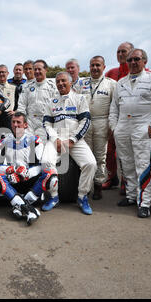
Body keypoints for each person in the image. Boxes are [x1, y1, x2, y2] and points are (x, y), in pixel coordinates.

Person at [109, 48, 151, 218]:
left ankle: (144, 203)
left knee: (143, 165)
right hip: (123, 127)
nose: (133, 63)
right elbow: (114, 108)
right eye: (130, 60)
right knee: (126, 164)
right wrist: (114, 127)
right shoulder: (120, 82)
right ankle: (131, 196)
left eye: (136, 59)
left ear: (144, 61)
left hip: (143, 126)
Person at [43, 72, 97, 214]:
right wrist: (56, 140)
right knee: (46, 162)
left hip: (75, 140)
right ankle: (54, 197)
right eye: (58, 81)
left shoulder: (80, 99)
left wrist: (73, 140)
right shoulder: (51, 101)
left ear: (71, 82)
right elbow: (47, 124)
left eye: (63, 81)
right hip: (57, 139)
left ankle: (82, 196)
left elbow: (85, 122)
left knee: (91, 163)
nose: (60, 84)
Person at [0, 112, 57, 224]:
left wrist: (27, 173)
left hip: (29, 180)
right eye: (13, 122)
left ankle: (18, 205)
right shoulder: (5, 140)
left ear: (25, 125)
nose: (15, 125)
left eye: (18, 122)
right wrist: (9, 170)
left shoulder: (35, 140)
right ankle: (29, 209)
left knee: (51, 175)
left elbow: (43, 165)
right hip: (12, 179)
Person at [75, 56, 117, 200]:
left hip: (102, 121)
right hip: (84, 122)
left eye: (98, 65)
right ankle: (85, 188)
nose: (94, 68)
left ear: (104, 67)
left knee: (100, 156)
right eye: (92, 65)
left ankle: (98, 185)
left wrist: (112, 126)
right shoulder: (81, 83)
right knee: (85, 156)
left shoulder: (111, 84)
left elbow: (115, 106)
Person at [104, 41, 135, 192]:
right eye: (118, 52)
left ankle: (126, 181)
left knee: (126, 153)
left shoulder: (142, 72)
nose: (121, 54)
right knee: (109, 151)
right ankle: (111, 177)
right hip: (113, 119)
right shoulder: (111, 73)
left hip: (132, 120)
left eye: (124, 51)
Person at [18, 59, 58, 140]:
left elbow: (57, 107)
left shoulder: (52, 86)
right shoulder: (27, 87)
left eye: (39, 69)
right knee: (28, 148)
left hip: (45, 123)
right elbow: (21, 105)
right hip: (30, 123)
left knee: (42, 149)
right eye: (35, 69)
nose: (37, 71)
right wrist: (22, 122)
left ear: (46, 70)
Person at [0, 64, 17, 129]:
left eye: (3, 72)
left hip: (9, 118)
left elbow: (19, 103)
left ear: (7, 73)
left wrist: (16, 111)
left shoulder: (14, 88)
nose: (1, 74)